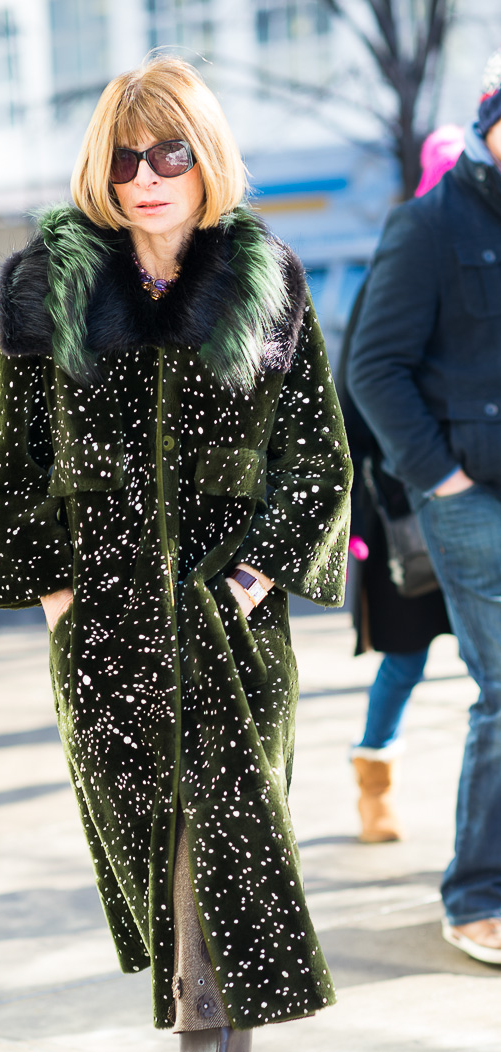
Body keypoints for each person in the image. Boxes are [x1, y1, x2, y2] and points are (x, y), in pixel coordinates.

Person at [0, 58, 352, 1049]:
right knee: (159, 856)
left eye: (170, 152)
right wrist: (61, 600)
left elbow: (314, 452)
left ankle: (211, 1032)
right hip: (105, 634)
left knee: (223, 854)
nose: (147, 175)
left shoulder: (262, 278)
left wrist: (251, 573)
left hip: (228, 630)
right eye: (125, 155)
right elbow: (14, 466)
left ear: (205, 157)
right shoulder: (49, 286)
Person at [348, 49, 501, 965]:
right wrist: (437, 477)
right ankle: (476, 892)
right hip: (469, 500)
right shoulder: (430, 224)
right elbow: (371, 367)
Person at [339, 126, 462, 844]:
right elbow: (358, 396)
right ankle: (374, 781)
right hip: (402, 503)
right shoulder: (402, 255)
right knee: (406, 658)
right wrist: (357, 517)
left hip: (483, 493)